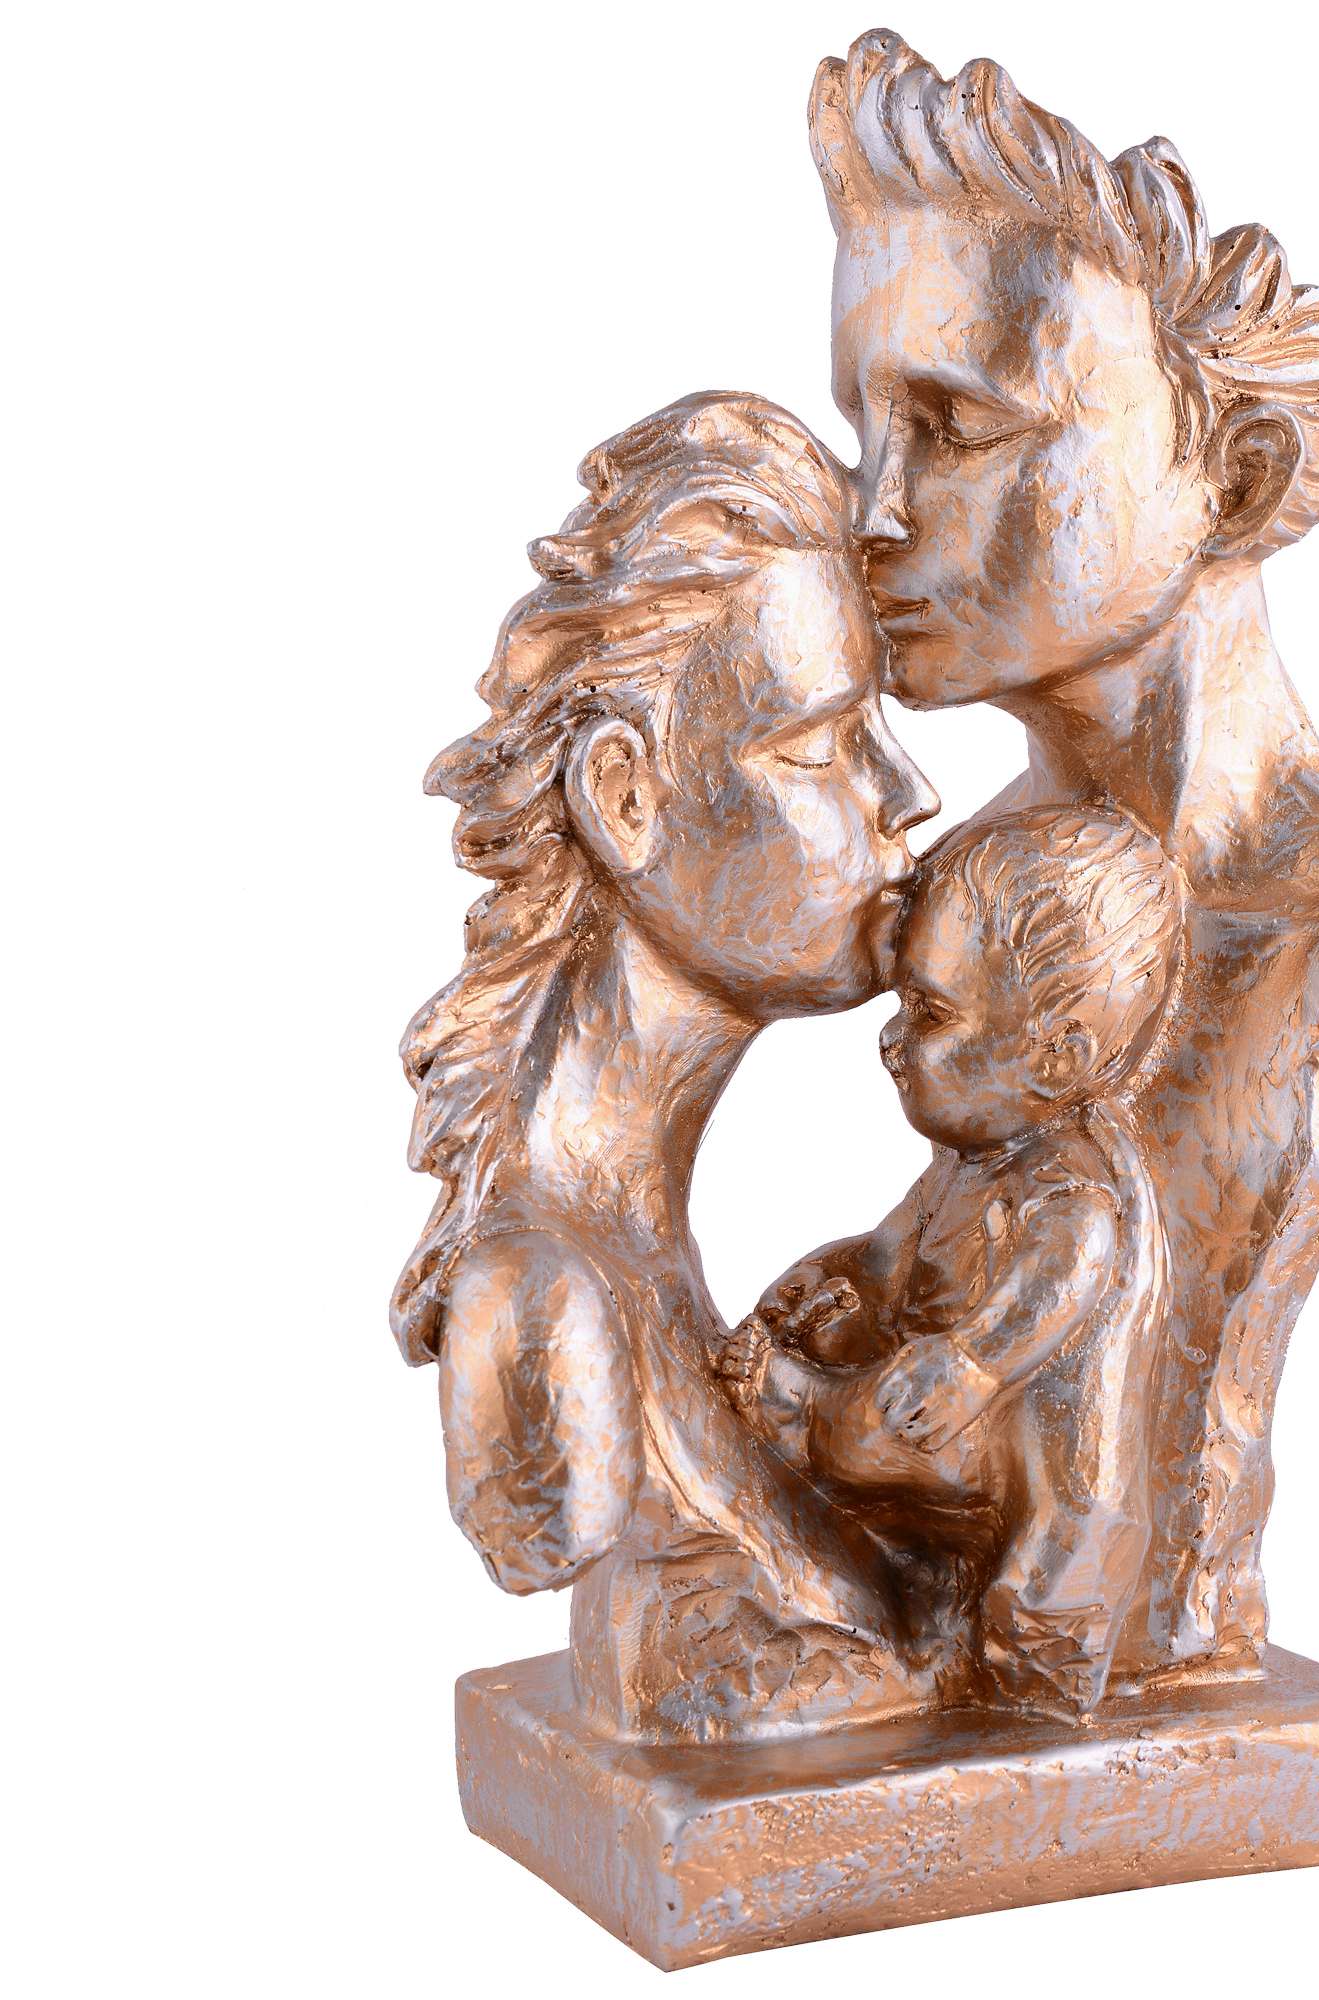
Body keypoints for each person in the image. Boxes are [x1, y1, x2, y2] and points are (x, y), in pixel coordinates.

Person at [807, 31, 1319, 1680]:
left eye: (960, 426)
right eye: (863, 428)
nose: (871, 509)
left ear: (1230, 477)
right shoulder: (959, 887)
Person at [392, 390, 944, 1737]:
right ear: (625, 796)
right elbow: (546, 1526)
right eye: (820, 744)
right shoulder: (546, 1304)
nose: (907, 791)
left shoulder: (635, 1256)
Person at [719, 806, 1179, 1716]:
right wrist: (839, 1274)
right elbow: (889, 1251)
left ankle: (794, 1408)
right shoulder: (969, 1164)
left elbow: (1068, 1269)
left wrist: (975, 1361)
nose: (891, 1041)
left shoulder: (1067, 1185)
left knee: (879, 1423)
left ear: (1058, 1058)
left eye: (929, 1013)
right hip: (955, 1480)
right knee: (878, 1388)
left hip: (1036, 1509)